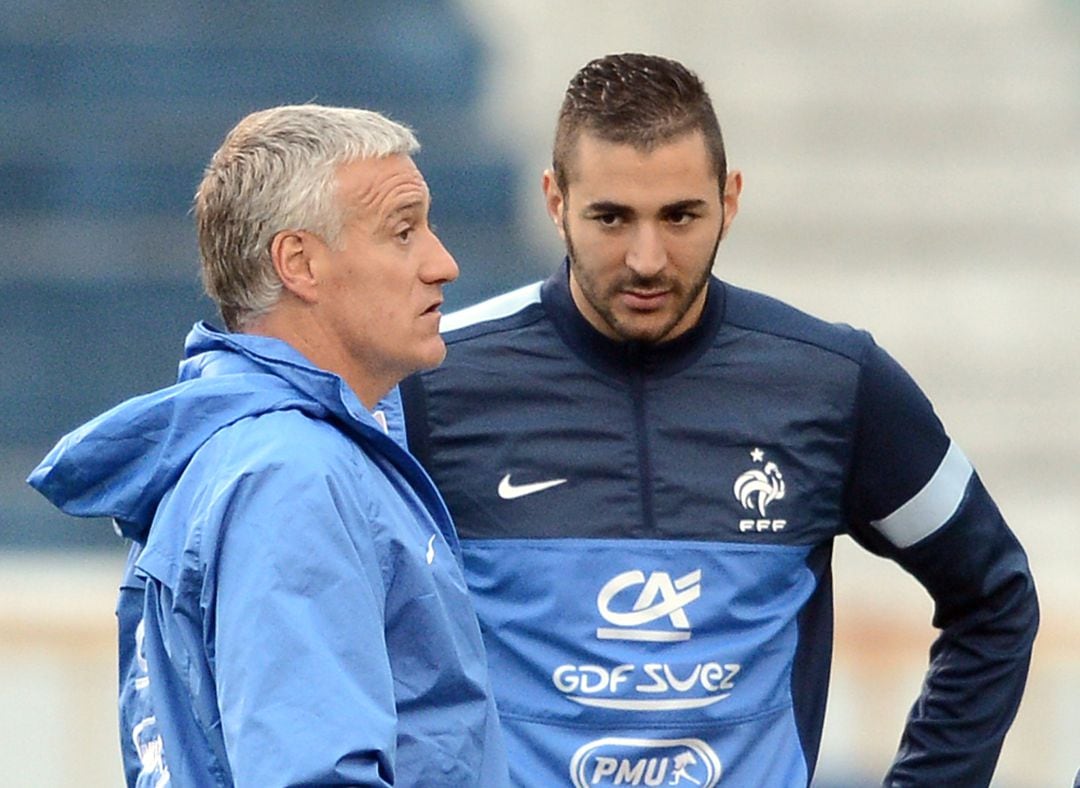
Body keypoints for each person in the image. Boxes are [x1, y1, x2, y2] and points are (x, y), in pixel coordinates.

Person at [399, 53, 1039, 786]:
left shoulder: (834, 383)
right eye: (611, 217)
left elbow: (994, 597)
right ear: (555, 200)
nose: (647, 258)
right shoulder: (434, 382)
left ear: (729, 200)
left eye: (680, 216)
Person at [29, 104, 508, 787]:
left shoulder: (258, 453)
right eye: (403, 232)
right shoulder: (290, 476)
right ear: (300, 263)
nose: (443, 264)